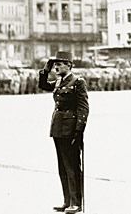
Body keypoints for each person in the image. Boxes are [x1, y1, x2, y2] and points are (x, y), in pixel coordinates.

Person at [38, 51, 89, 214]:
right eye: (55, 64)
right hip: (58, 127)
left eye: (60, 64)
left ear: (69, 65)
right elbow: (43, 85)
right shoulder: (59, 81)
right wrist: (45, 70)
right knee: (62, 167)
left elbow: (83, 107)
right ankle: (67, 201)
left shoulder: (78, 81)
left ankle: (76, 202)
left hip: (70, 129)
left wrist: (79, 130)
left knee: (72, 166)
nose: (56, 67)